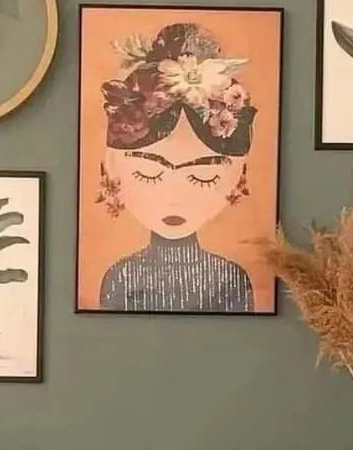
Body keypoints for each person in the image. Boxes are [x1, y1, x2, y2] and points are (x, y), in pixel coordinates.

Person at [96, 22, 256, 312]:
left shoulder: (231, 280)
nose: (174, 197)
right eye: (148, 173)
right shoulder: (120, 278)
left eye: (201, 177)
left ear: (237, 175)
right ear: (112, 167)